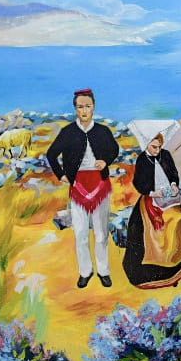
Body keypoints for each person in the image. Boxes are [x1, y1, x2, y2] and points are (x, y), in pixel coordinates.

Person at [46, 89, 119, 288]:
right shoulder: (67, 132)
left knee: (102, 233)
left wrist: (106, 161)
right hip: (77, 187)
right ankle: (85, 272)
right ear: (75, 109)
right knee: (80, 234)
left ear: (93, 106)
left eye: (88, 106)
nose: (84, 111)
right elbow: (51, 154)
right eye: (80, 107)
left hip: (101, 185)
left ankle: (103, 271)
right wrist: (61, 175)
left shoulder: (103, 131)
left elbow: (115, 149)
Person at [121, 123, 181, 290]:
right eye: (154, 147)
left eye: (159, 147)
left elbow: (173, 173)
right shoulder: (142, 160)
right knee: (165, 225)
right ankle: (169, 270)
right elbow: (139, 183)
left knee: (180, 218)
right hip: (152, 199)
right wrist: (154, 192)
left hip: (170, 198)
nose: (157, 150)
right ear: (147, 144)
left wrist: (174, 184)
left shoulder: (165, 155)